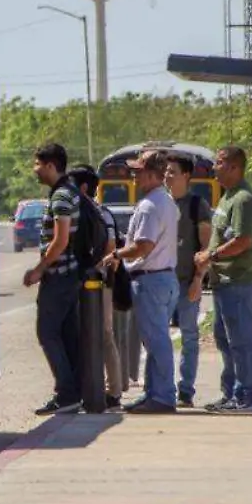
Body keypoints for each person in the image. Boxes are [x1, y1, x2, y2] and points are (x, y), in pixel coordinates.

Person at [101, 149, 179, 414]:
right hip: (164, 278)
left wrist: (116, 254)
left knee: (156, 341)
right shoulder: (166, 201)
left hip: (150, 279)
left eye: (137, 172)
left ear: (150, 174)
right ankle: (153, 394)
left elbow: (143, 246)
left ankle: (164, 396)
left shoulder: (149, 206)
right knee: (154, 339)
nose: (133, 177)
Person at [196, 146, 252, 414]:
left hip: (240, 280)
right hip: (223, 281)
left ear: (235, 167)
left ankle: (246, 395)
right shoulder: (227, 198)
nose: (215, 167)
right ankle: (231, 392)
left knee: (241, 339)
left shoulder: (244, 199)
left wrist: (209, 255)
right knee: (224, 338)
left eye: (220, 162)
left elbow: (242, 241)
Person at [24, 143, 82, 416]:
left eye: (37, 164)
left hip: (58, 277)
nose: (35, 170)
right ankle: (74, 392)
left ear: (50, 165)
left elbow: (60, 241)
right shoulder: (69, 191)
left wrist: (39, 270)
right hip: (69, 277)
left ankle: (67, 393)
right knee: (66, 334)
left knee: (47, 333)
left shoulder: (61, 197)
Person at [68, 164, 124, 409]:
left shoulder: (99, 214)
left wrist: (101, 273)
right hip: (95, 281)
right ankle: (99, 387)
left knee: (103, 334)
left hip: (97, 283)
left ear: (82, 188)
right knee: (97, 335)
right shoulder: (94, 213)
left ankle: (111, 390)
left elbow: (111, 246)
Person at [164, 154, 212, 408]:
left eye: (172, 171)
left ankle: (185, 391)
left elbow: (206, 248)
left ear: (186, 175)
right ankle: (162, 388)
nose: (167, 176)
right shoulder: (161, 204)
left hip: (186, 283)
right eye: (165, 171)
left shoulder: (197, 206)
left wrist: (198, 280)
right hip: (161, 283)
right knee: (159, 338)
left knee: (189, 336)